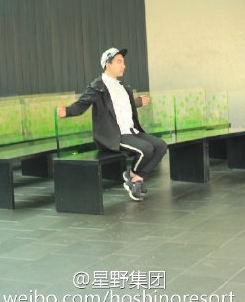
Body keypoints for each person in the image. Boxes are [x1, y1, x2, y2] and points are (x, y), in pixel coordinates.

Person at [57, 48, 167, 201]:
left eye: (123, 62)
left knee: (161, 146)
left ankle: (136, 178)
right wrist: (67, 111)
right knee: (146, 148)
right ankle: (135, 179)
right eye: (119, 62)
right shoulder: (97, 86)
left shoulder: (123, 86)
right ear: (107, 64)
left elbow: (122, 106)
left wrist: (138, 102)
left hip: (131, 131)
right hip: (114, 134)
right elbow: (82, 104)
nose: (123, 66)